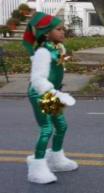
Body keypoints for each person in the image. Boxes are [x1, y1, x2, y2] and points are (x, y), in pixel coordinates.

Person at [23, 12, 78, 184]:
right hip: (40, 92)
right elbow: (38, 80)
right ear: (46, 33)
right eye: (58, 29)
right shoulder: (43, 53)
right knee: (47, 129)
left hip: (51, 93)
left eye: (63, 29)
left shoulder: (57, 48)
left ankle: (56, 160)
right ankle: (37, 167)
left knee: (61, 126)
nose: (63, 32)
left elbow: (56, 69)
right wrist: (57, 94)